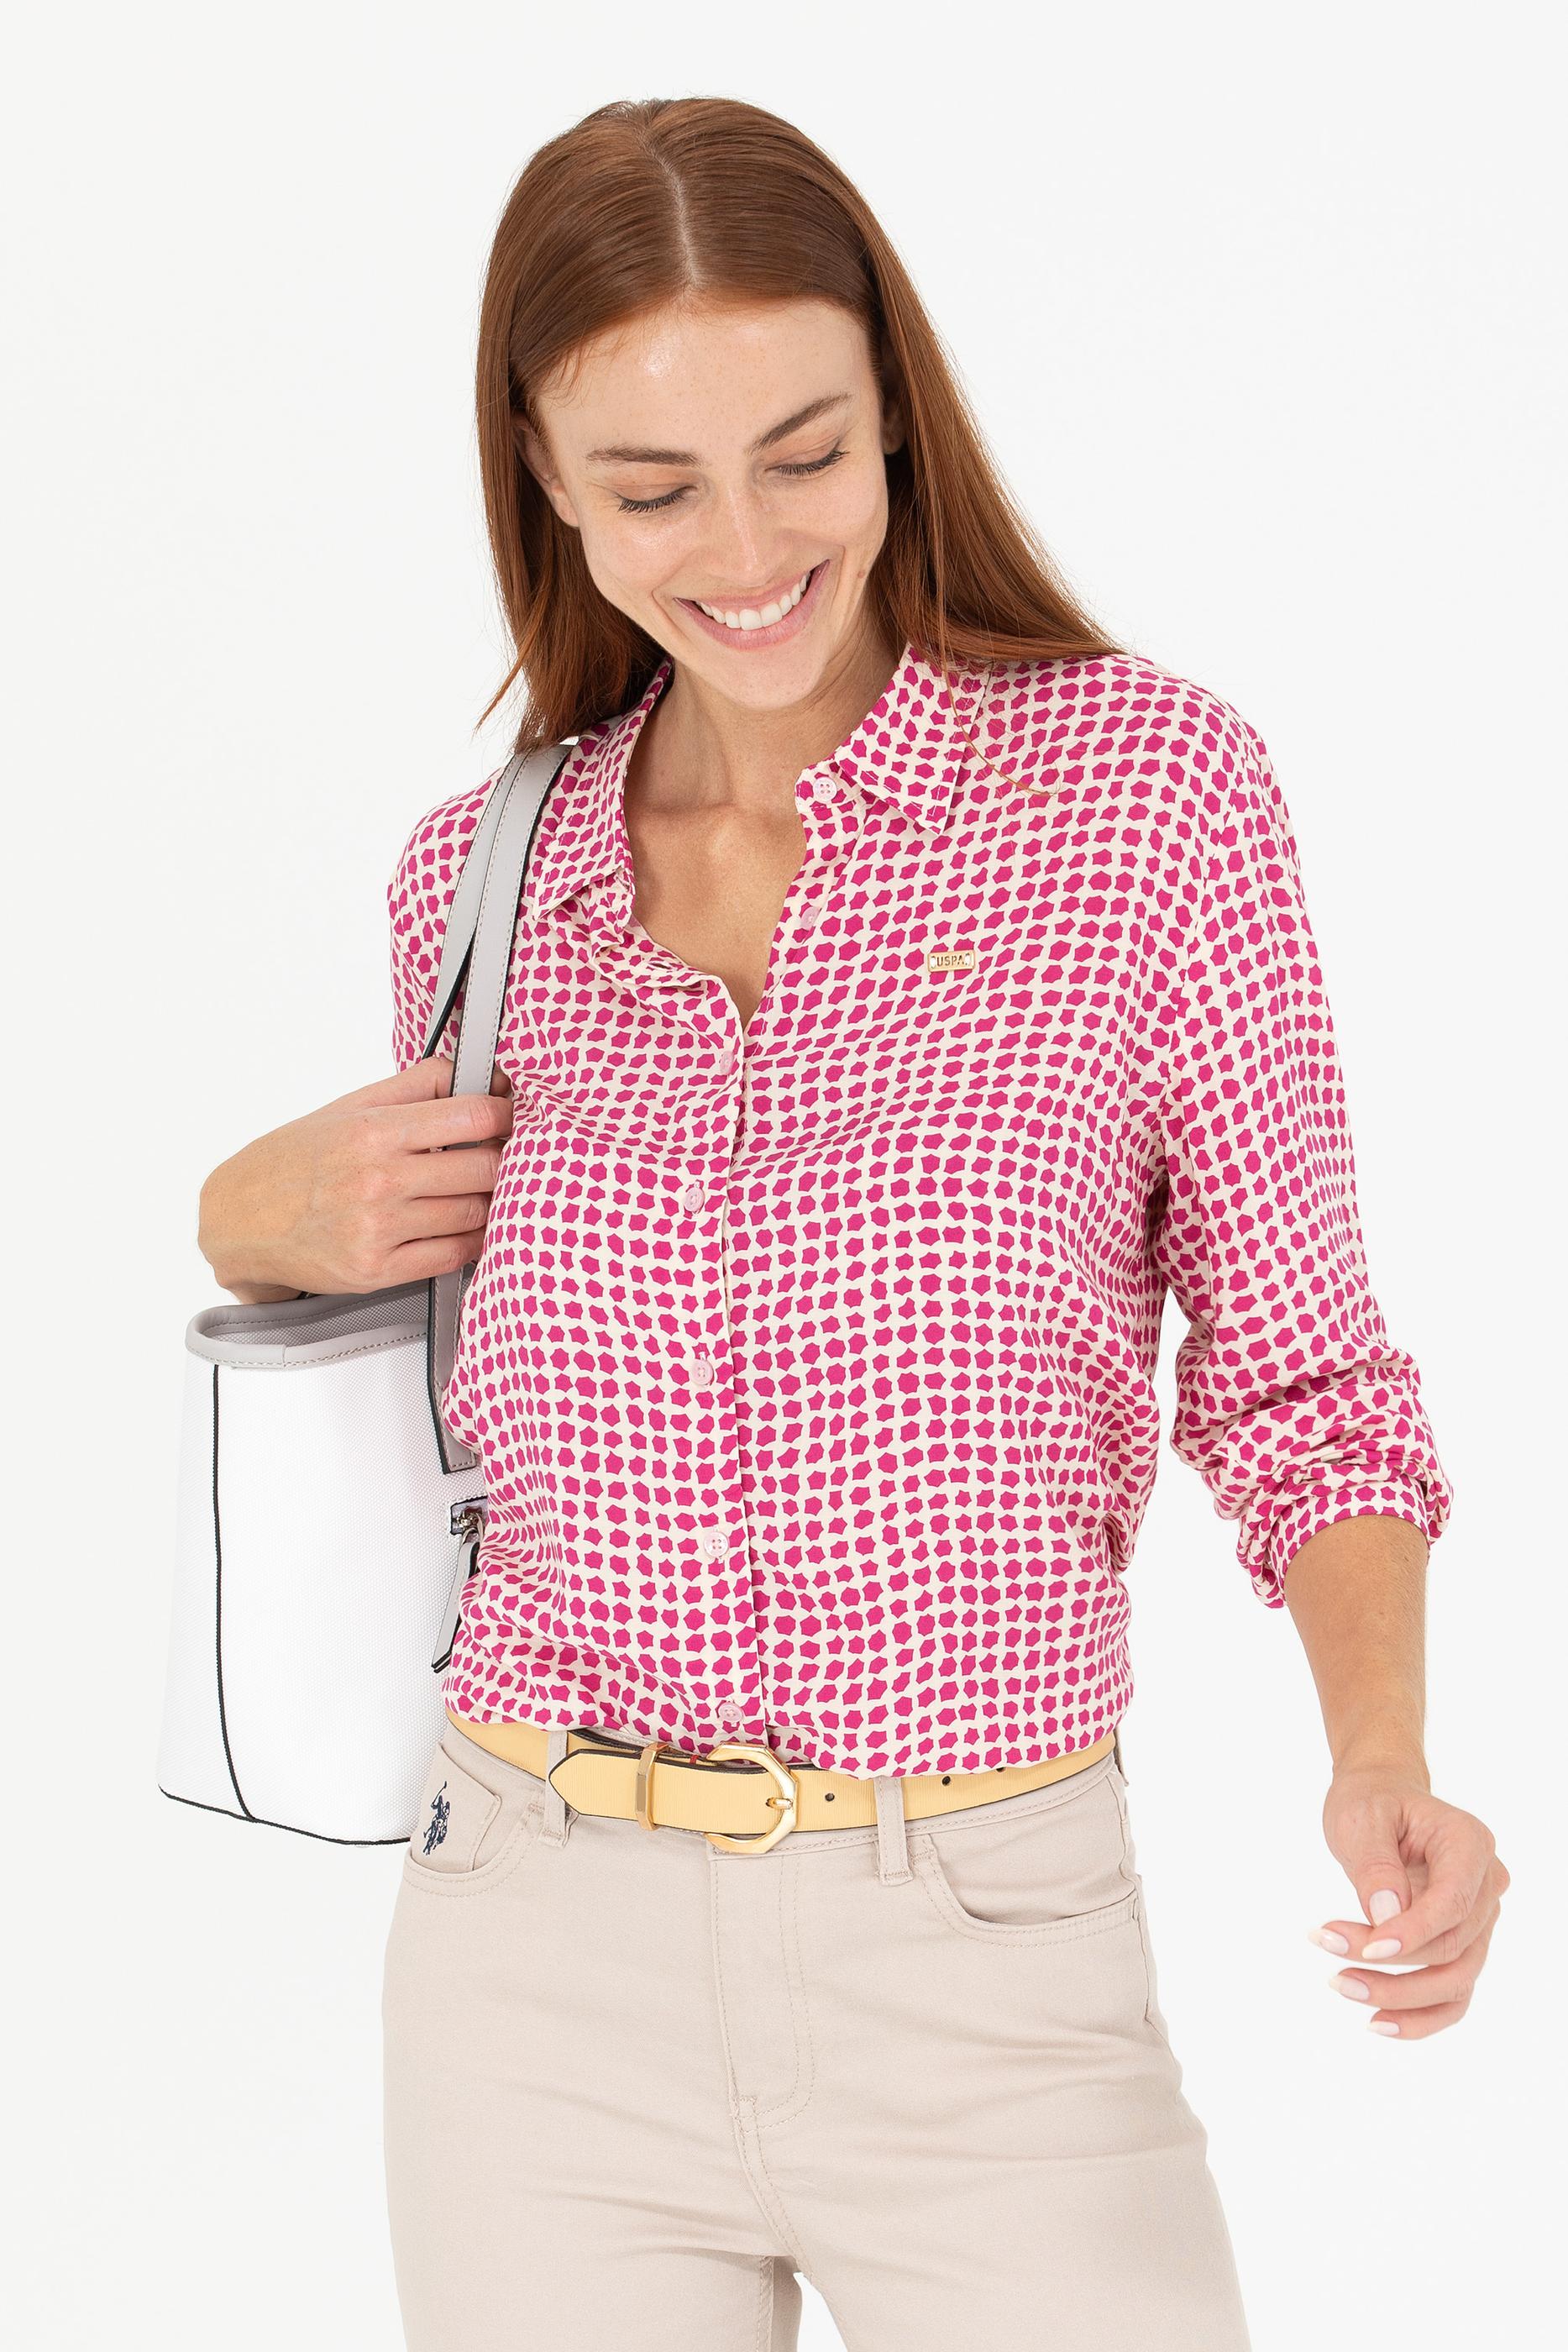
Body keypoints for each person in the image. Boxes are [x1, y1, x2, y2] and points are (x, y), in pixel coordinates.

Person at [197, 96, 1508, 2352]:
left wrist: (1378, 1751)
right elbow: (421, 1344)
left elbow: (1302, 1378)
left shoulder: (1145, 801)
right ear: (540, 476)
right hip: (531, 1967)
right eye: (651, 488)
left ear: (893, 404)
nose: (742, 548)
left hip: (985, 1958)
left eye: (800, 452)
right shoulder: (478, 884)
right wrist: (241, 1211)